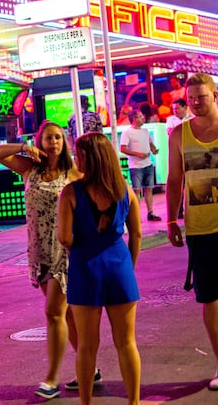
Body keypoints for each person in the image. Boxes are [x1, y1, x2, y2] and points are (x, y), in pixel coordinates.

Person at [0, 121, 86, 399]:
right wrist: (23, 147)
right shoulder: (30, 168)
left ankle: (51, 379)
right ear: (39, 141)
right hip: (39, 251)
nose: (54, 142)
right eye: (48, 137)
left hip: (65, 251)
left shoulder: (74, 172)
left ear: (64, 141)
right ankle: (88, 366)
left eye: (58, 137)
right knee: (65, 313)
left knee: (53, 313)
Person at [59, 132, 142, 405]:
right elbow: (137, 235)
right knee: (127, 343)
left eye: (78, 153)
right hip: (119, 266)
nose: (74, 157)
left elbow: (64, 238)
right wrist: (129, 266)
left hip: (85, 267)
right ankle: (134, 402)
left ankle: (86, 403)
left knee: (86, 346)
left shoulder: (71, 192)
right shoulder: (125, 190)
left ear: (90, 158)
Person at [166, 73, 218, 391]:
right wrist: (172, 220)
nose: (196, 102)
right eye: (192, 97)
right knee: (210, 299)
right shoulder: (178, 134)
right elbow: (174, 180)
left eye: (202, 96)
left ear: (215, 95)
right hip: (200, 230)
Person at [120, 109, 161, 221]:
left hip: (148, 164)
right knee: (136, 191)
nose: (143, 118)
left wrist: (153, 149)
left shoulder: (145, 131)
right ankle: (135, 215)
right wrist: (137, 154)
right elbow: (122, 148)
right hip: (135, 166)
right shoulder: (127, 132)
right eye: (140, 116)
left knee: (149, 189)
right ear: (134, 119)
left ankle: (150, 212)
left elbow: (150, 143)